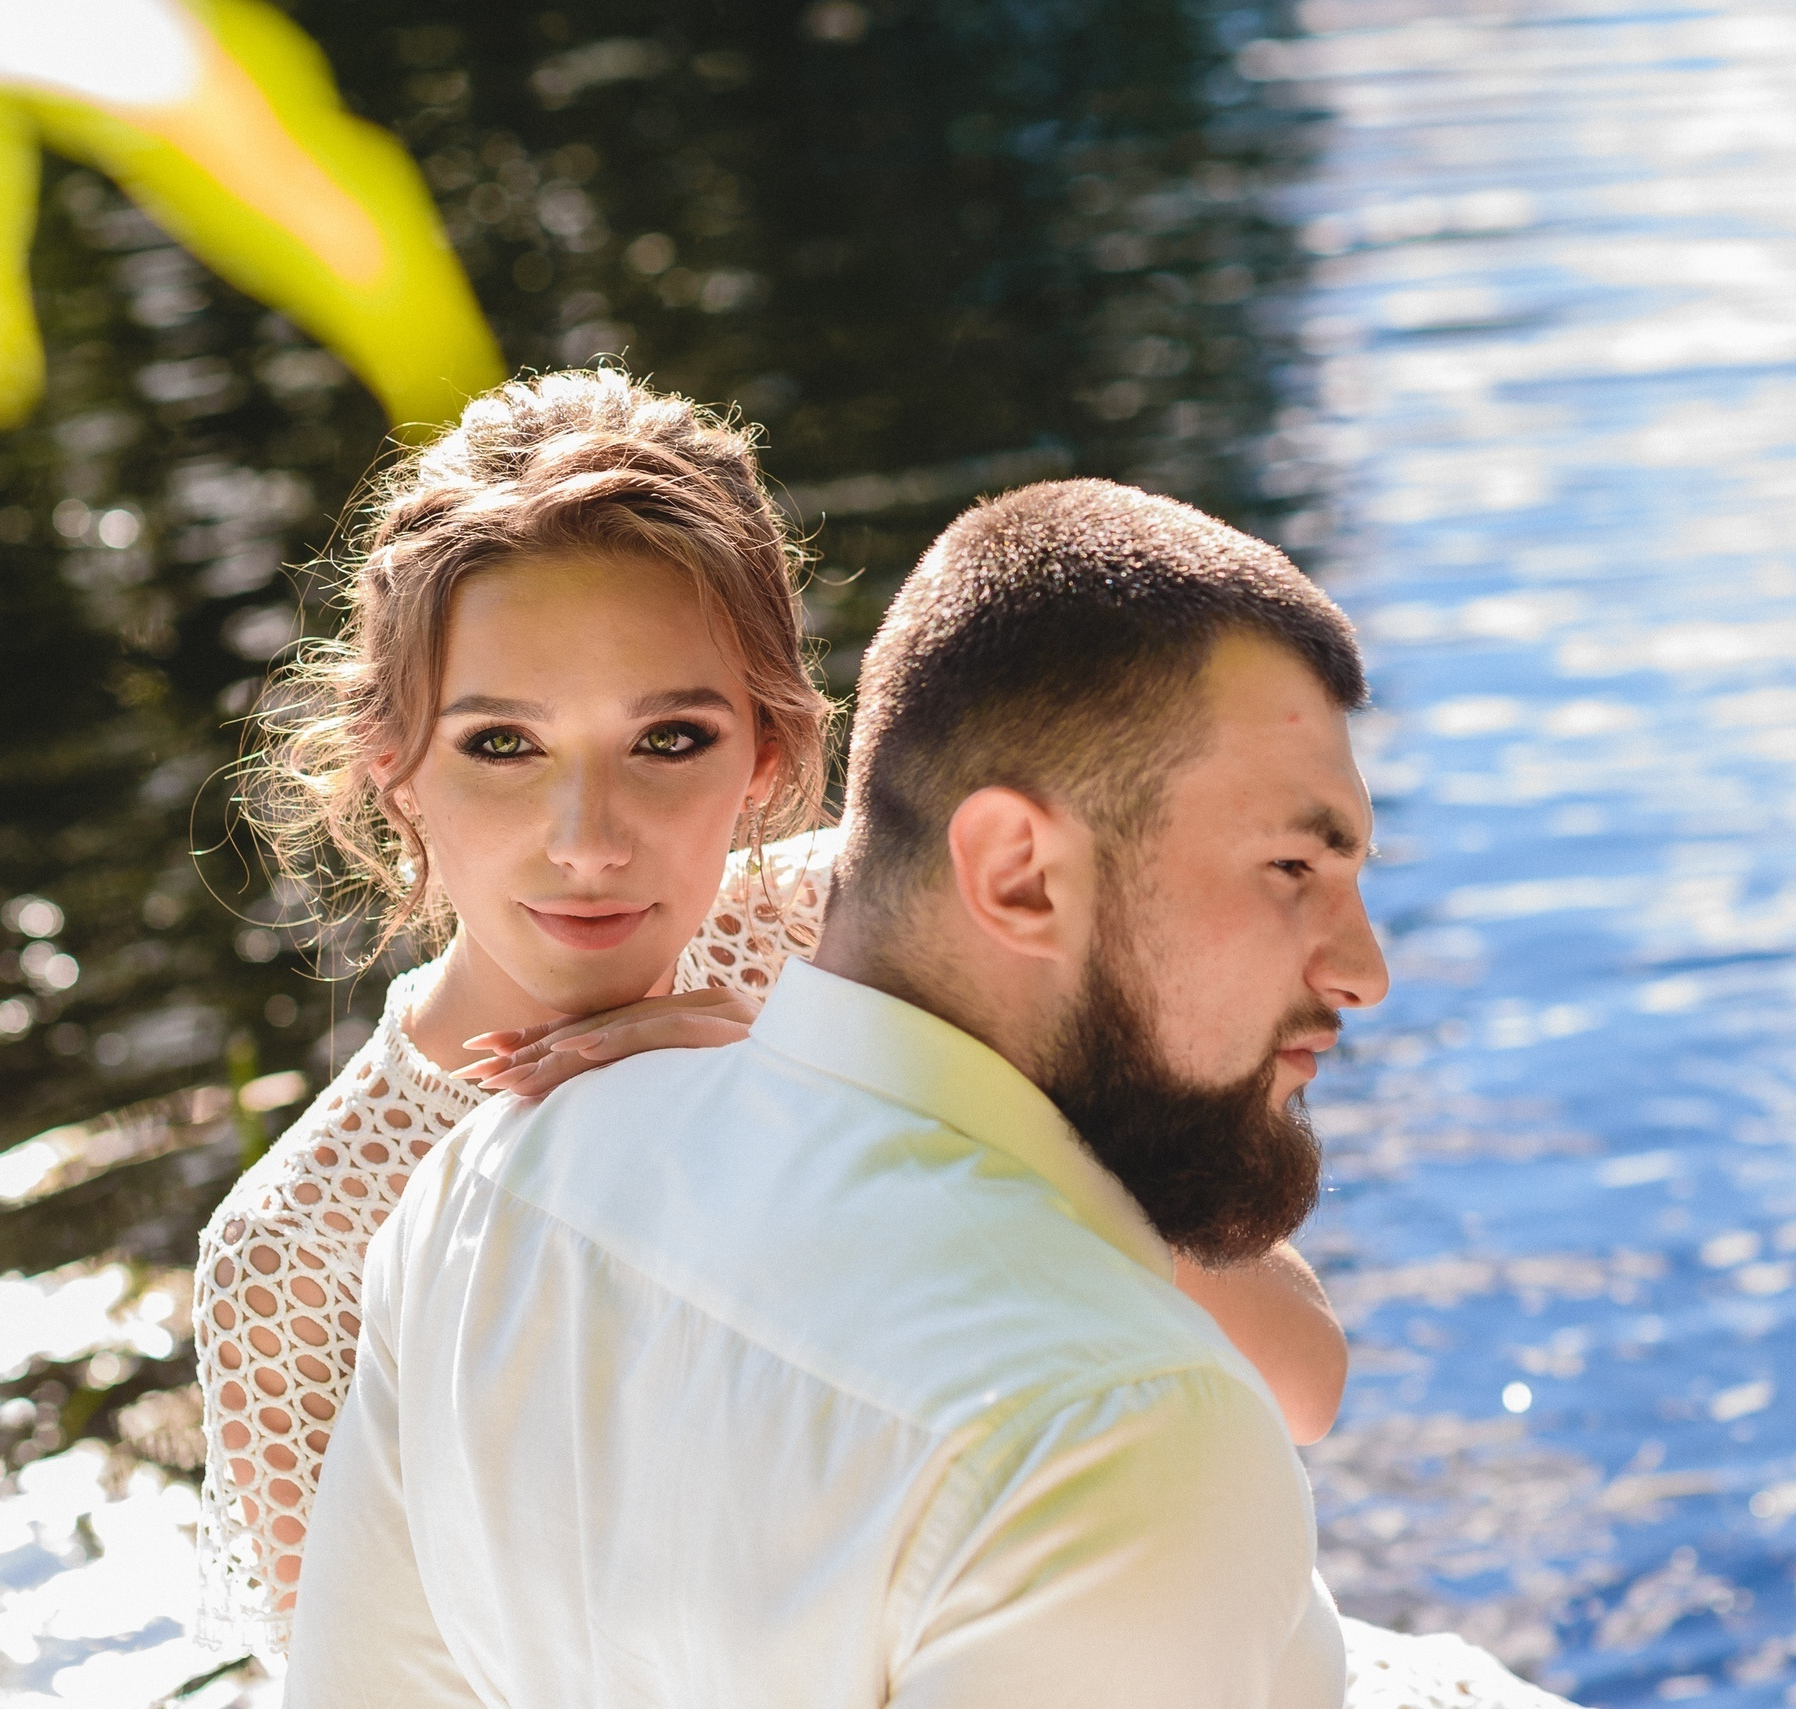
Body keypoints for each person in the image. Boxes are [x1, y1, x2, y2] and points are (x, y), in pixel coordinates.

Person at [287, 480, 1577, 1709]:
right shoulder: (1119, 1429)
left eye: (670, 738)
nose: (1367, 972)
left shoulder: (481, 1184)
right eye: (1292, 863)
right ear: (1012, 874)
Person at [190, 375, 1349, 1651]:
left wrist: (838, 1085)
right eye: (502, 745)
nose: (587, 841)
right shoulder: (296, 1252)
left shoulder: (858, 927)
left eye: (669, 738)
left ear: (771, 750)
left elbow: (1298, 1376)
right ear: (392, 765)